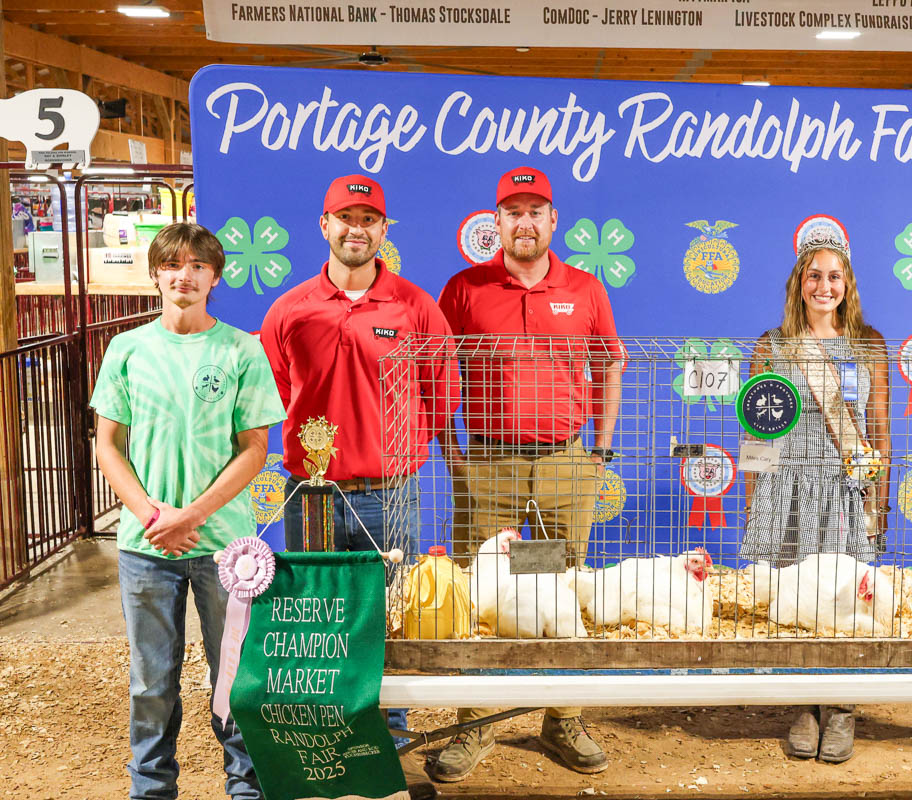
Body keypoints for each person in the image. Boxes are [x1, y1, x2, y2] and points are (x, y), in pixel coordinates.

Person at [259, 174, 459, 765]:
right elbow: (270, 394)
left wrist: (397, 449)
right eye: (346, 218)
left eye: (369, 219)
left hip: (389, 492)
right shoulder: (290, 309)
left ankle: (388, 738)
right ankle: (324, 735)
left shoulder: (415, 306)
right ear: (325, 225)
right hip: (311, 493)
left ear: (383, 230)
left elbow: (442, 393)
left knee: (389, 617)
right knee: (317, 613)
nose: (357, 229)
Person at [431, 166, 622, 782]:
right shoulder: (464, 288)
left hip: (566, 462)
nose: (524, 222)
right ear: (497, 222)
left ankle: (563, 717)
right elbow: (436, 371)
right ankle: (475, 720)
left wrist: (599, 453)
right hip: (489, 463)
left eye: (535, 211)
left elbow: (610, 366)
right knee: (481, 593)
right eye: (513, 211)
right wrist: (453, 451)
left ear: (553, 220)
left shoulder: (585, 288)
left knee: (561, 587)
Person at [91, 222, 286, 800]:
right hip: (145, 547)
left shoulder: (241, 349)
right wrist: (153, 516)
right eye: (173, 264)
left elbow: (255, 448)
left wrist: (192, 515)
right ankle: (151, 789)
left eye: (199, 265)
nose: (185, 275)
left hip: (225, 548)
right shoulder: (127, 349)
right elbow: (108, 445)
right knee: (151, 681)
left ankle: (247, 787)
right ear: (155, 274)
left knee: (237, 678)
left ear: (215, 277)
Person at [738, 218, 890, 764]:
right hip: (787, 489)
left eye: (834, 276)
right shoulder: (772, 345)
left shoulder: (870, 344)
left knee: (847, 594)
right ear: (798, 282)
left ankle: (842, 706)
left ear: (848, 283)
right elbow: (757, 430)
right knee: (796, 595)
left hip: (846, 487)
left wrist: (878, 500)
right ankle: (802, 702)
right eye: (814, 275)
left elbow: (880, 429)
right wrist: (755, 502)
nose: (825, 286)